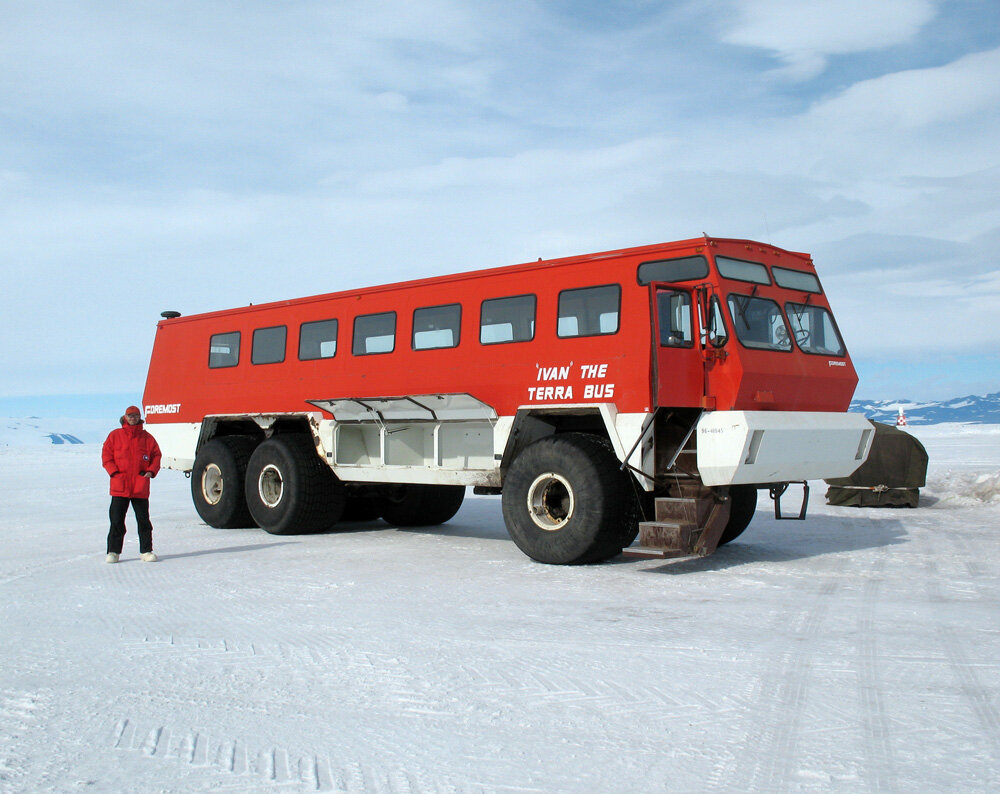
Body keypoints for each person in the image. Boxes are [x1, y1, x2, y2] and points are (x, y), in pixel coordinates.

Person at [101, 406, 162, 563]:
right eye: (130, 415)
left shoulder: (147, 438)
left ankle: (146, 551)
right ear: (125, 417)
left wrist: (151, 471)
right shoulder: (115, 435)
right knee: (116, 520)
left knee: (143, 520)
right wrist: (114, 472)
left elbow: (156, 455)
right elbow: (106, 455)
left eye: (135, 415)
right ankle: (113, 552)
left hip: (139, 486)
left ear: (139, 417)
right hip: (120, 486)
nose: (133, 418)